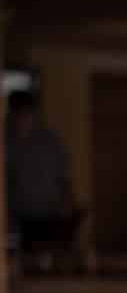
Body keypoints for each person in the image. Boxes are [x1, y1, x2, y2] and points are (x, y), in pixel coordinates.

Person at [5, 91, 78, 252]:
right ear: (13, 116)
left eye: (28, 115)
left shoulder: (50, 141)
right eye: (20, 116)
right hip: (19, 219)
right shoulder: (7, 143)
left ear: (34, 115)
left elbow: (64, 175)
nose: (24, 121)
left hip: (50, 217)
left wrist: (67, 201)